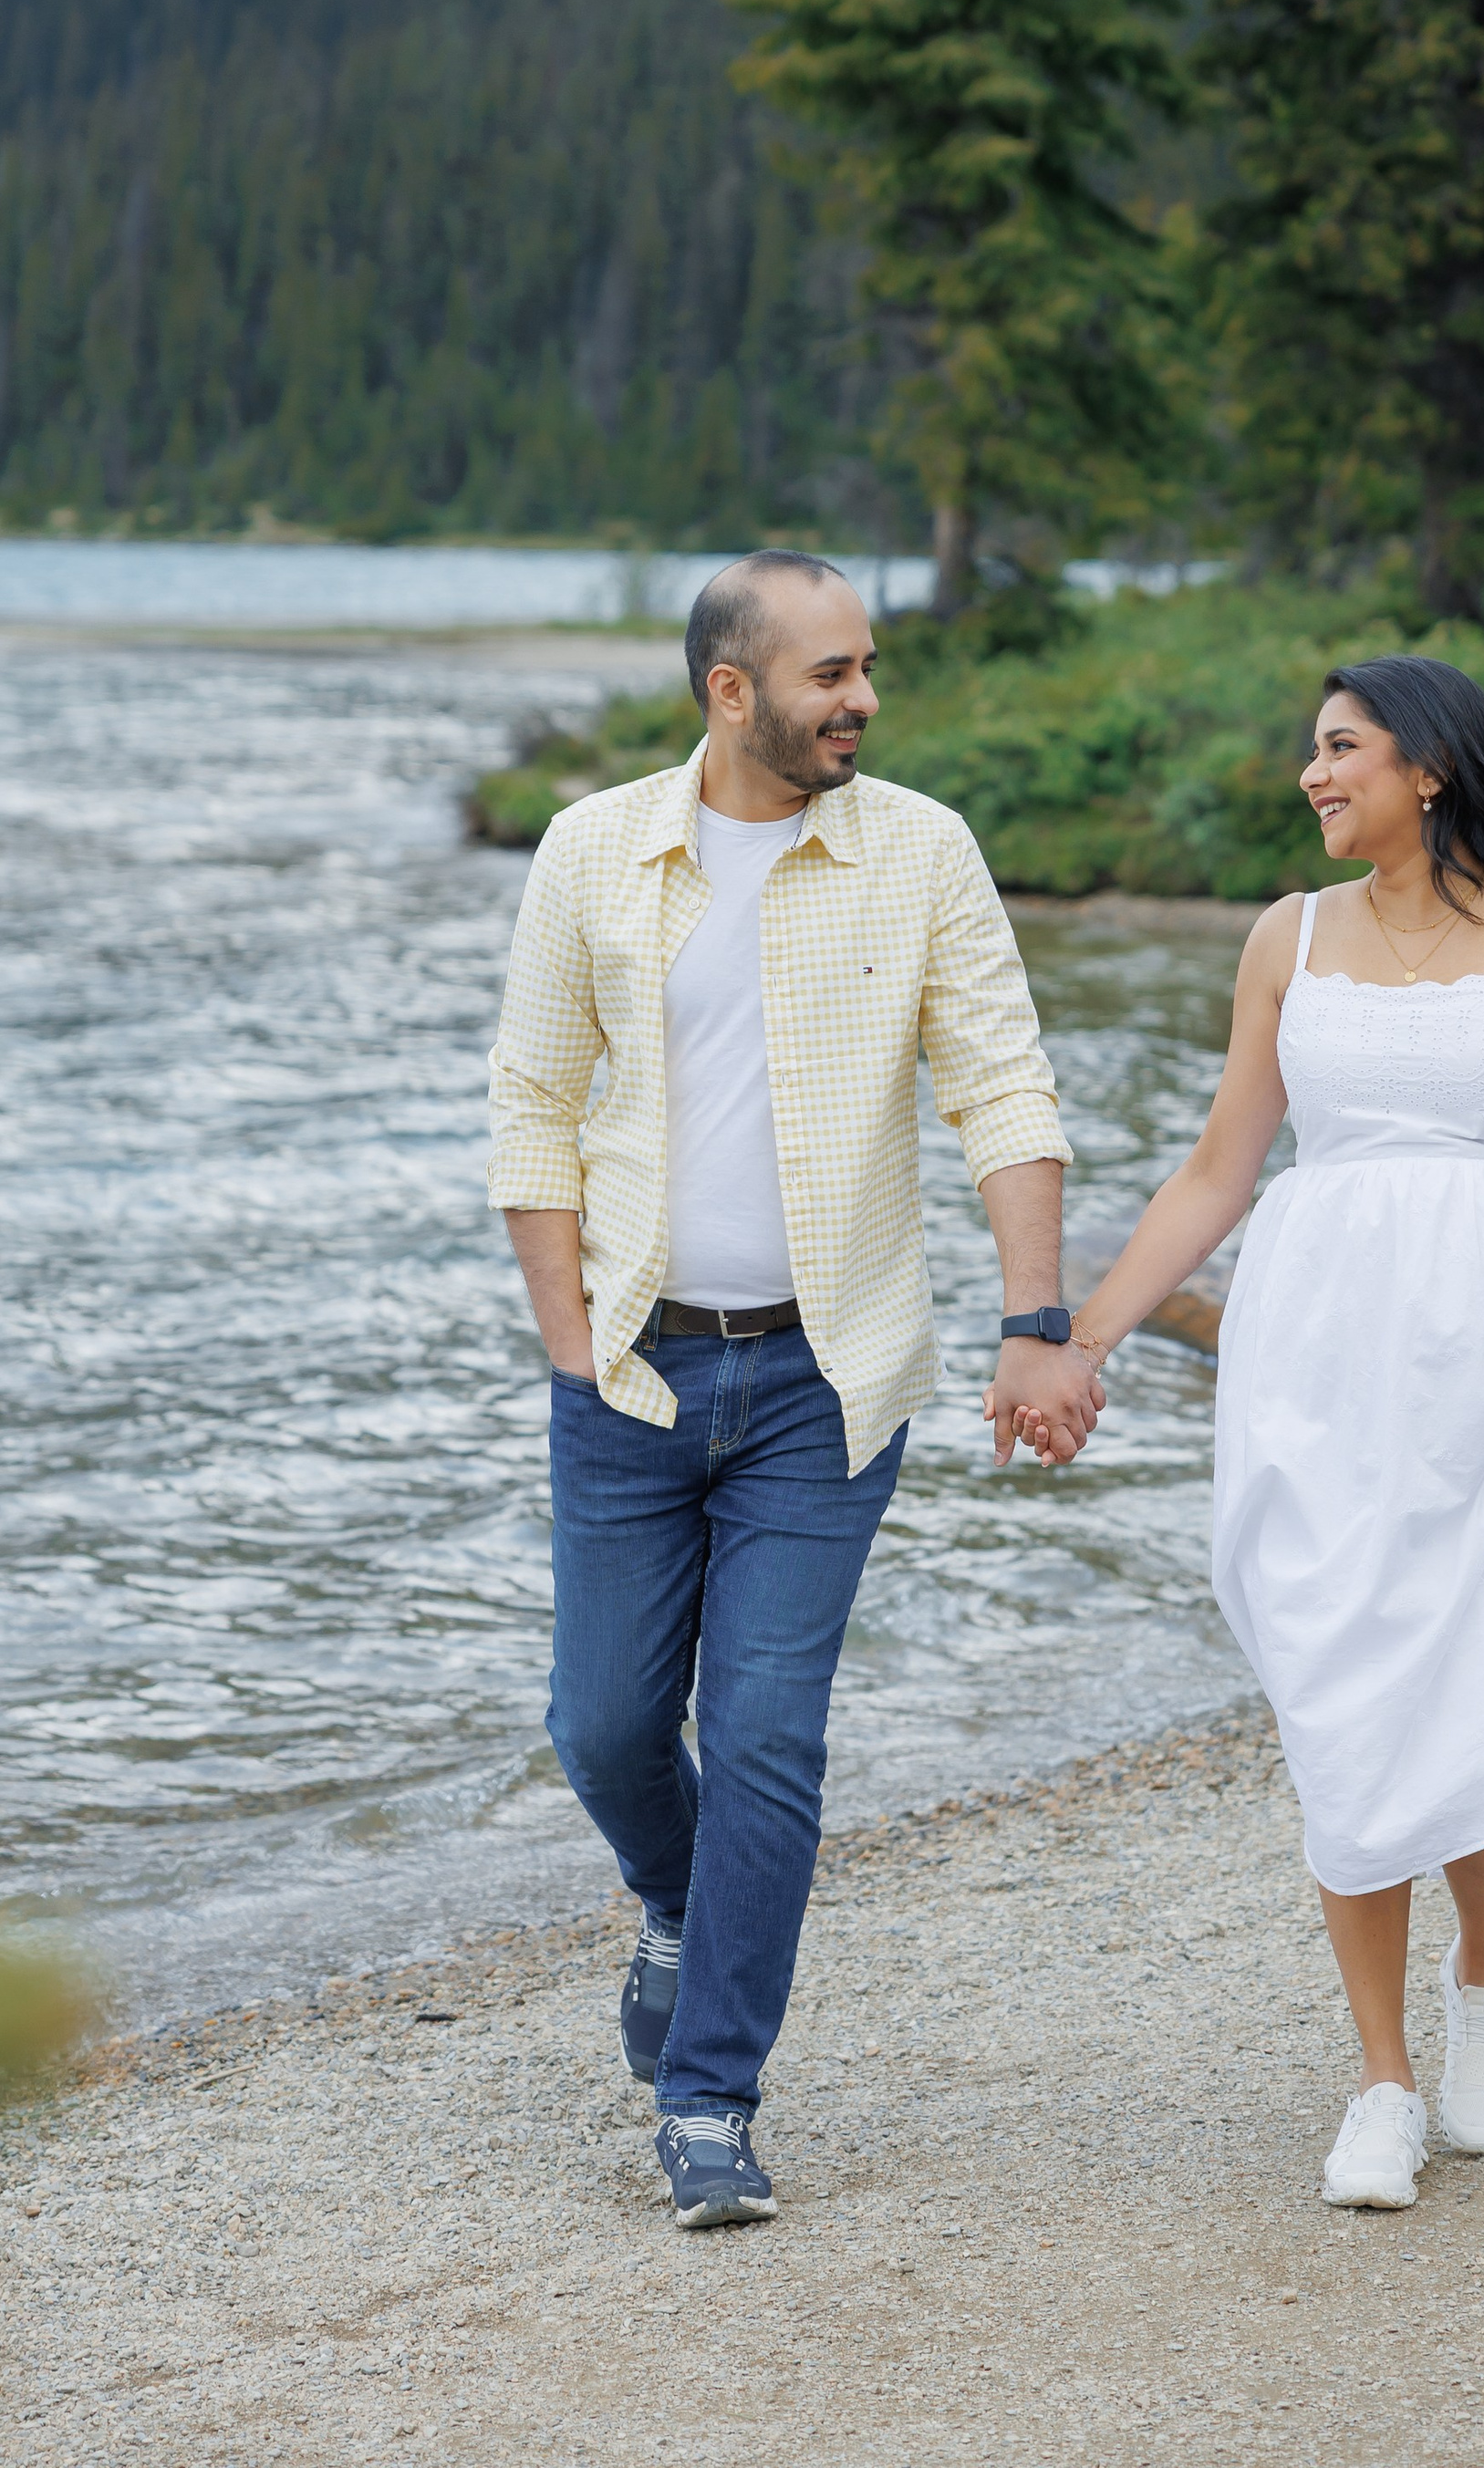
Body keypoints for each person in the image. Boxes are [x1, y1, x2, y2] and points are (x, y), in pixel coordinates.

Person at [1027, 652, 1484, 2211]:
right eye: (1312, 753)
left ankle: (1483, 1978)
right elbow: (1217, 1171)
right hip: (1319, 1365)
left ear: (1431, 768)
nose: (1313, 776)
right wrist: (1081, 1335)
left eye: (1341, 749)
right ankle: (1380, 2083)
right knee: (1343, 1686)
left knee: (1475, 1677)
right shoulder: (1288, 938)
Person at [487, 548, 1103, 2228]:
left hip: (834, 1382)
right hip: (627, 1364)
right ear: (730, 690)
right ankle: (682, 1908)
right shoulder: (592, 851)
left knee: (764, 1732)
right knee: (602, 1723)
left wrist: (1035, 1316)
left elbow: (1004, 1088)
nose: (864, 702)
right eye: (831, 674)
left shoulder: (922, 851)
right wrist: (564, 1343)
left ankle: (709, 2099)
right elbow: (533, 1103)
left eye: (869, 668)